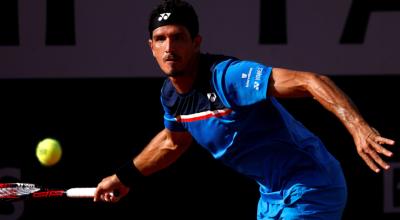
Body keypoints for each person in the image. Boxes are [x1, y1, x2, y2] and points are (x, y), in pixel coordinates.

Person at [93, 0, 395, 219]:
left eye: (178, 37)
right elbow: (173, 142)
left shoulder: (229, 76)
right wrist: (124, 177)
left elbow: (310, 82)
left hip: (311, 186)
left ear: (196, 43)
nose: (169, 47)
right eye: (161, 39)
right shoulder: (171, 96)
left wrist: (358, 128)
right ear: (151, 47)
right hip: (271, 198)